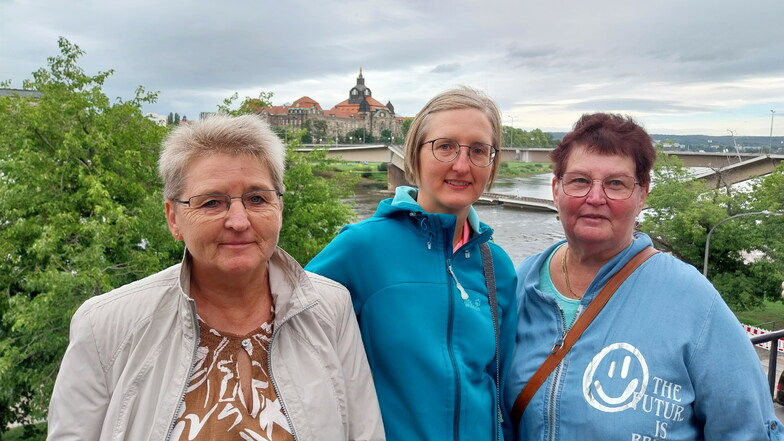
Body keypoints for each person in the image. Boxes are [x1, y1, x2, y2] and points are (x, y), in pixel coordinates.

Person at [47, 114, 385, 441]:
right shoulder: (105, 326)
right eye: (212, 202)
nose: (238, 221)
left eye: (256, 198)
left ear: (279, 208)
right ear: (173, 218)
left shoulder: (329, 307)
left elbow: (364, 433)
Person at [504, 112, 784, 440]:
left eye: (616, 184)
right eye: (579, 180)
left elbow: (747, 430)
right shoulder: (520, 283)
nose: (595, 197)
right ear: (556, 189)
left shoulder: (692, 299)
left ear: (642, 195)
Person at [306, 86, 517, 441]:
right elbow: (281, 334)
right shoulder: (362, 248)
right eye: (445, 146)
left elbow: (502, 388)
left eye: (479, 150)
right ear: (414, 156)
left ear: (492, 165)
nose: (461, 165)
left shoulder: (497, 267)